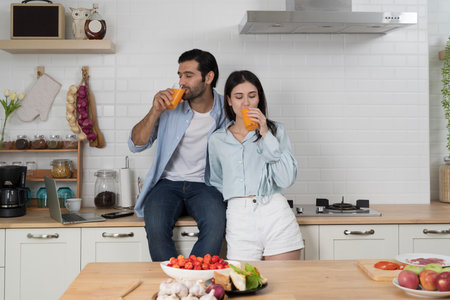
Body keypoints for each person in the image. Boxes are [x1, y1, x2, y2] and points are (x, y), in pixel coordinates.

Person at [128, 49, 228, 261]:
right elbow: (136, 144)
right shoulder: (170, 106)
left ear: (208, 77)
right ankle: (173, 284)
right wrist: (155, 111)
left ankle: (194, 281)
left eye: (188, 75)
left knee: (216, 225)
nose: (181, 82)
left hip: (206, 185)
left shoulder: (226, 110)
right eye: (180, 75)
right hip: (167, 184)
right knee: (154, 226)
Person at [208, 70, 304, 261]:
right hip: (239, 218)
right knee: (243, 286)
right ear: (229, 100)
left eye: (252, 96)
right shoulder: (217, 139)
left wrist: (265, 134)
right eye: (238, 96)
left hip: (275, 213)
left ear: (259, 99)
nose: (246, 103)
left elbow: (286, 179)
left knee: (284, 285)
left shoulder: (276, 132)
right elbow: (217, 181)